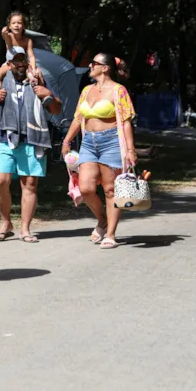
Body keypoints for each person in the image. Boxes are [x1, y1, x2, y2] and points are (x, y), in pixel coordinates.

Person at [0, 47, 63, 243]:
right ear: (8, 65)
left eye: (23, 60)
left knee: (30, 184)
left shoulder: (37, 80)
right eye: (16, 61)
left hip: (33, 138)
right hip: (4, 138)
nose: (21, 64)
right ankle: (6, 222)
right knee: (0, 182)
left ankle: (25, 229)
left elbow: (56, 109)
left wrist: (46, 93)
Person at [61, 53, 136, 249]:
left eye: (94, 63)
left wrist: (130, 149)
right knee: (85, 188)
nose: (90, 65)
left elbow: (126, 121)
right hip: (88, 143)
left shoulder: (119, 91)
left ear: (105, 68)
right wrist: (67, 140)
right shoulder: (86, 90)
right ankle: (102, 219)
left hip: (111, 142)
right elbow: (78, 117)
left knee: (111, 190)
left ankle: (110, 233)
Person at [0, 12, 40, 110]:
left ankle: (42, 96)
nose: (16, 25)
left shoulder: (27, 40)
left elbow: (31, 56)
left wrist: (33, 68)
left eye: (19, 23)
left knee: (37, 73)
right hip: (10, 64)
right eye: (13, 23)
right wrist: (3, 33)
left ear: (24, 25)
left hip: (23, 63)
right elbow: (5, 37)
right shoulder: (9, 36)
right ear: (9, 26)